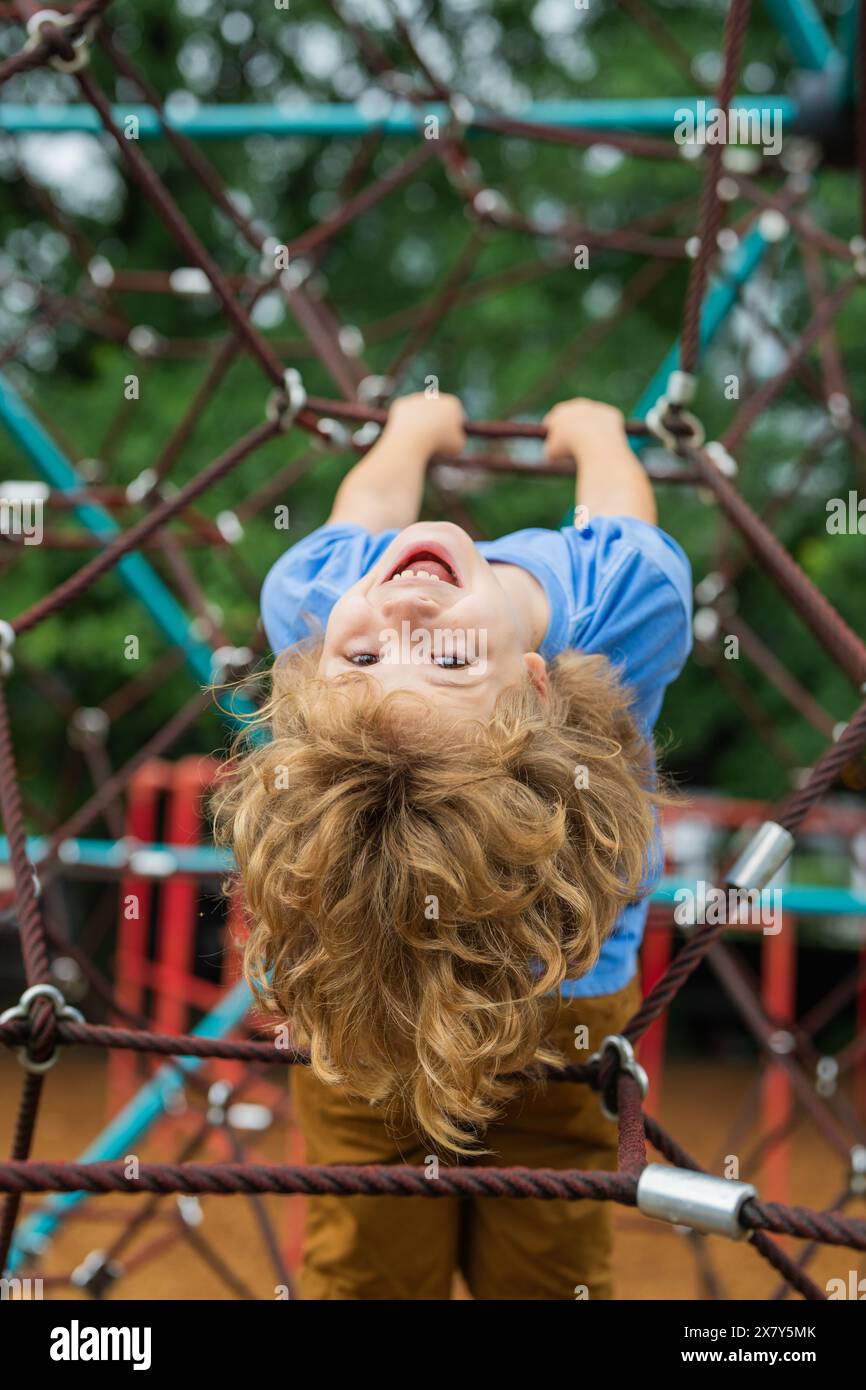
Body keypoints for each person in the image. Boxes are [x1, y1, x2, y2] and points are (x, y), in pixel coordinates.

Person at [214, 392, 692, 1299]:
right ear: (536, 693)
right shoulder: (625, 608)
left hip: (357, 1003)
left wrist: (409, 432)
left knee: (365, 1253)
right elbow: (622, 519)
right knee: (552, 1256)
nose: (402, 627)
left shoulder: (319, 609)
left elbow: (367, 514)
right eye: (448, 663)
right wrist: (598, 436)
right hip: (563, 1007)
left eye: (362, 666)